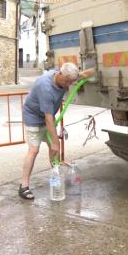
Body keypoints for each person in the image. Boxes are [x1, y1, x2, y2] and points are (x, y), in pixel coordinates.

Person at [19, 62, 95, 200]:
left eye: (70, 82)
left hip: (47, 116)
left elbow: (84, 74)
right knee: (34, 150)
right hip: (34, 117)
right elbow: (48, 119)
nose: (67, 85)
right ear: (59, 74)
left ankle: (56, 175)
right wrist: (55, 143)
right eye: (66, 82)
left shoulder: (68, 75)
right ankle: (23, 186)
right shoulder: (45, 87)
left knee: (54, 151)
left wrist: (101, 69)